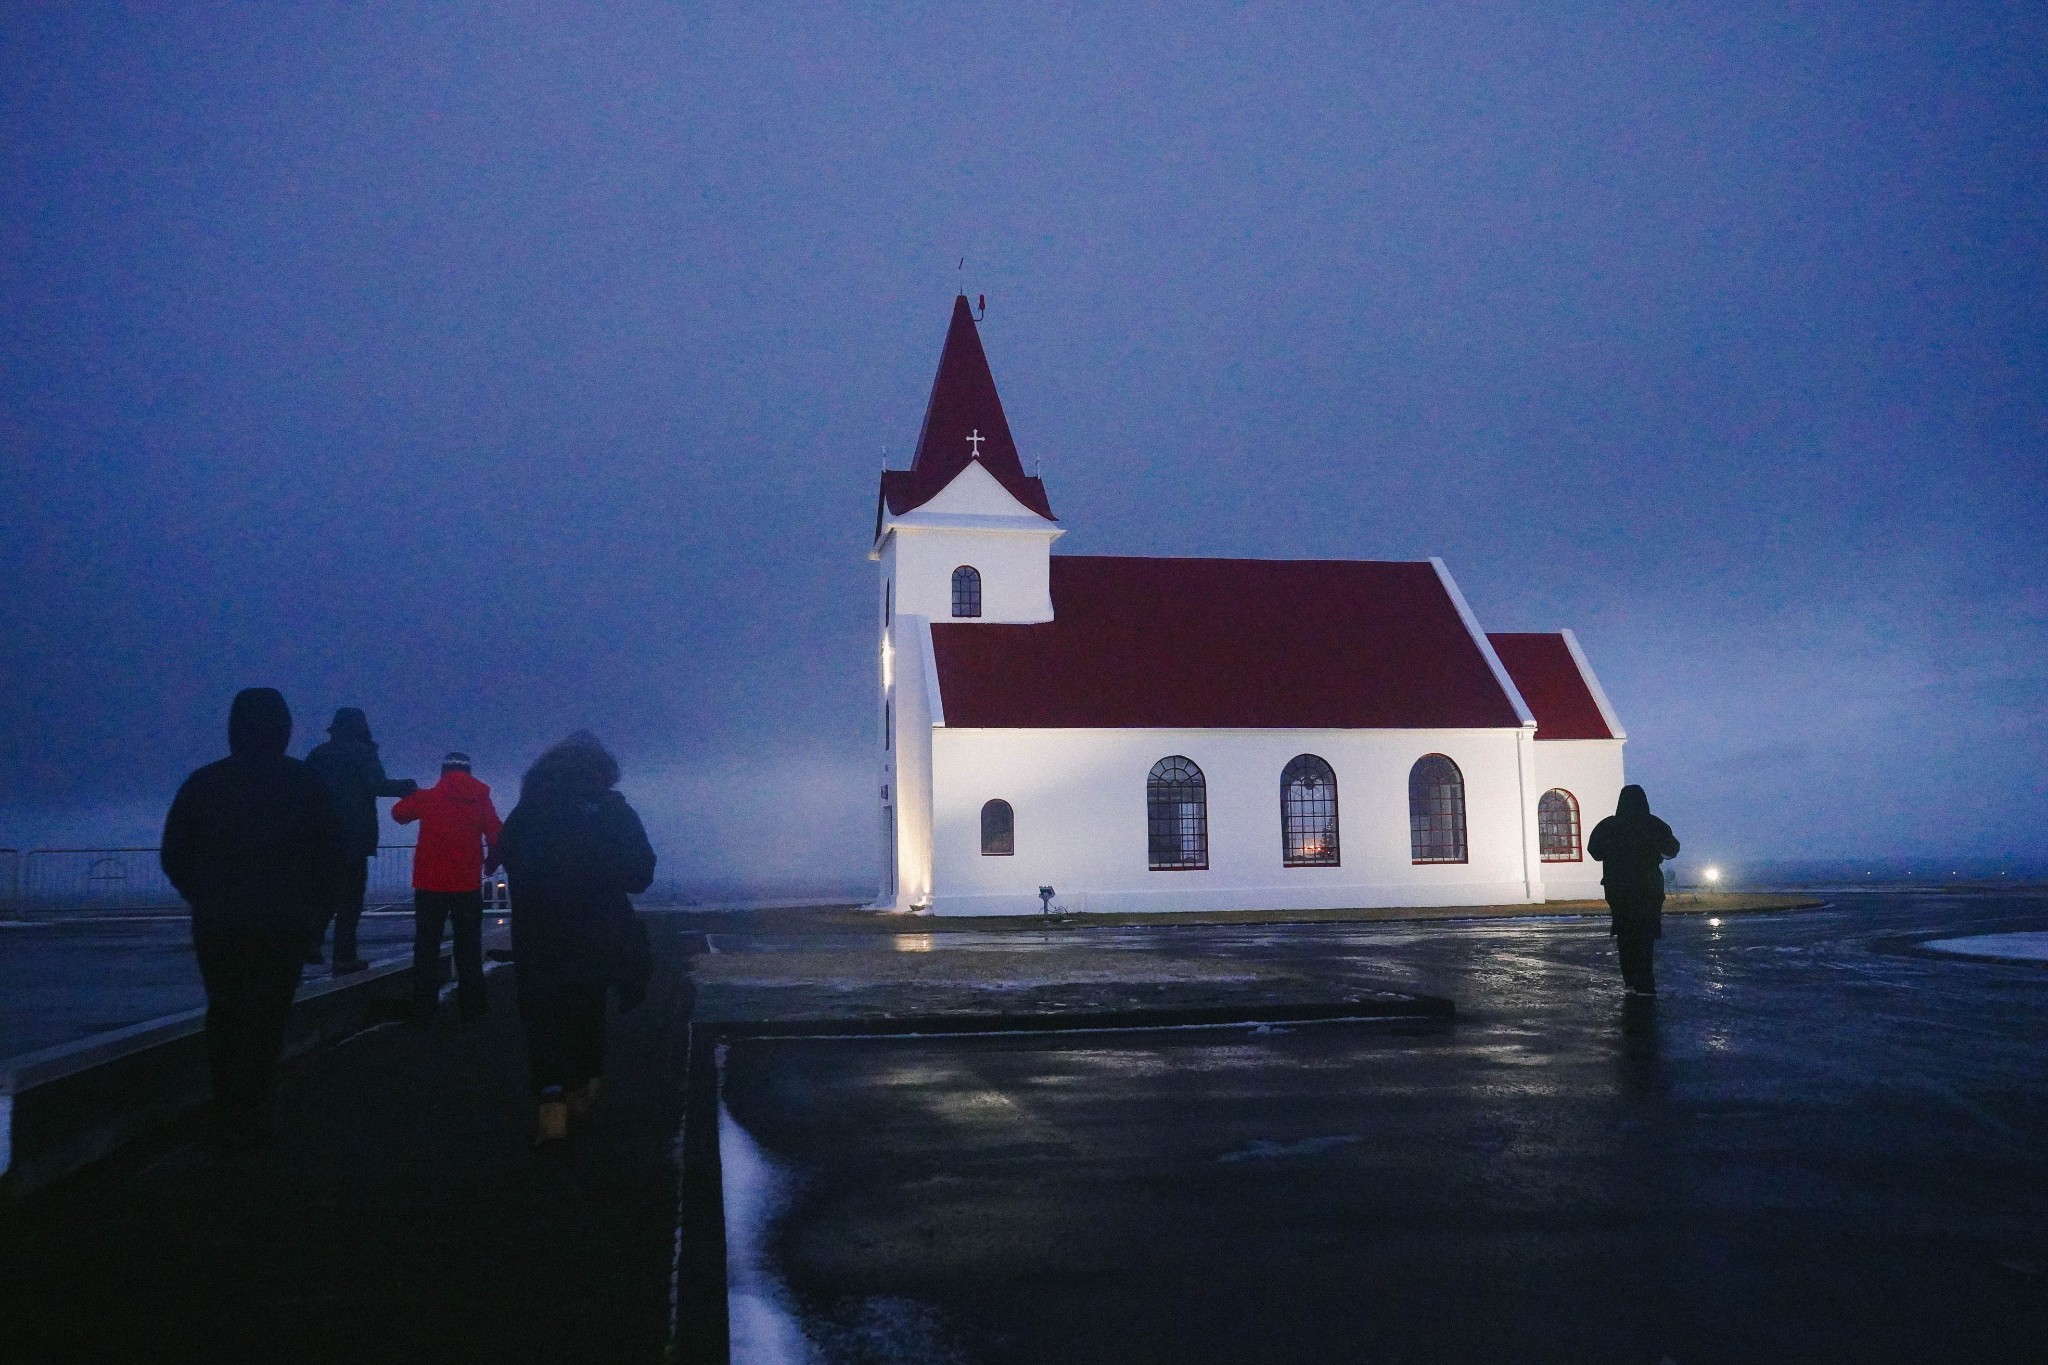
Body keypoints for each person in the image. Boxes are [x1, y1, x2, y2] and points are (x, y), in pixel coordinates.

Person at [161, 688, 343, 1144]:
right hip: (282, 919)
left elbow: (174, 853)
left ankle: (227, 1104)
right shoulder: (305, 783)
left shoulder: (203, 783)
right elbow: (330, 854)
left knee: (225, 1009)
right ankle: (255, 1102)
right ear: (284, 729)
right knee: (268, 1012)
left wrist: (202, 893)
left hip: (220, 919)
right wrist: (311, 911)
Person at [492, 731, 656, 1146]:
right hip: (596, 930)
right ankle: (584, 1089)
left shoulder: (529, 810)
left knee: (543, 1013)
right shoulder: (611, 810)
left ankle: (550, 1098)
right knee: (587, 1006)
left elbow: (505, 855)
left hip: (538, 930)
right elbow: (640, 875)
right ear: (603, 770)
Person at [304, 707, 417, 973]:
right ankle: (344, 957)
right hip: (353, 837)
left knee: (324, 895)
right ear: (360, 726)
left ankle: (310, 941)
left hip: (320, 837)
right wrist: (406, 787)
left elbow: (304, 790)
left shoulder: (318, 754)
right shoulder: (362, 752)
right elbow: (377, 785)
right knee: (350, 900)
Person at [392, 751, 502, 1022]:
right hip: (467, 885)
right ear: (469, 771)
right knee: (468, 947)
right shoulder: (481, 800)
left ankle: (423, 1008)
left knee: (426, 946)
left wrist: (410, 792)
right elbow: (497, 834)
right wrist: (490, 864)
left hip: (430, 885)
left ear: (443, 771)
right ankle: (473, 1009)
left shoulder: (429, 797)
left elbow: (398, 815)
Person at [1586, 784, 1681, 996]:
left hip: (1618, 888)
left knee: (1625, 932)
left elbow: (1595, 851)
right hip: (1647, 888)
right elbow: (1672, 849)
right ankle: (1645, 981)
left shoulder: (1609, 825)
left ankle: (1630, 978)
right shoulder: (1654, 824)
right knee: (1645, 934)